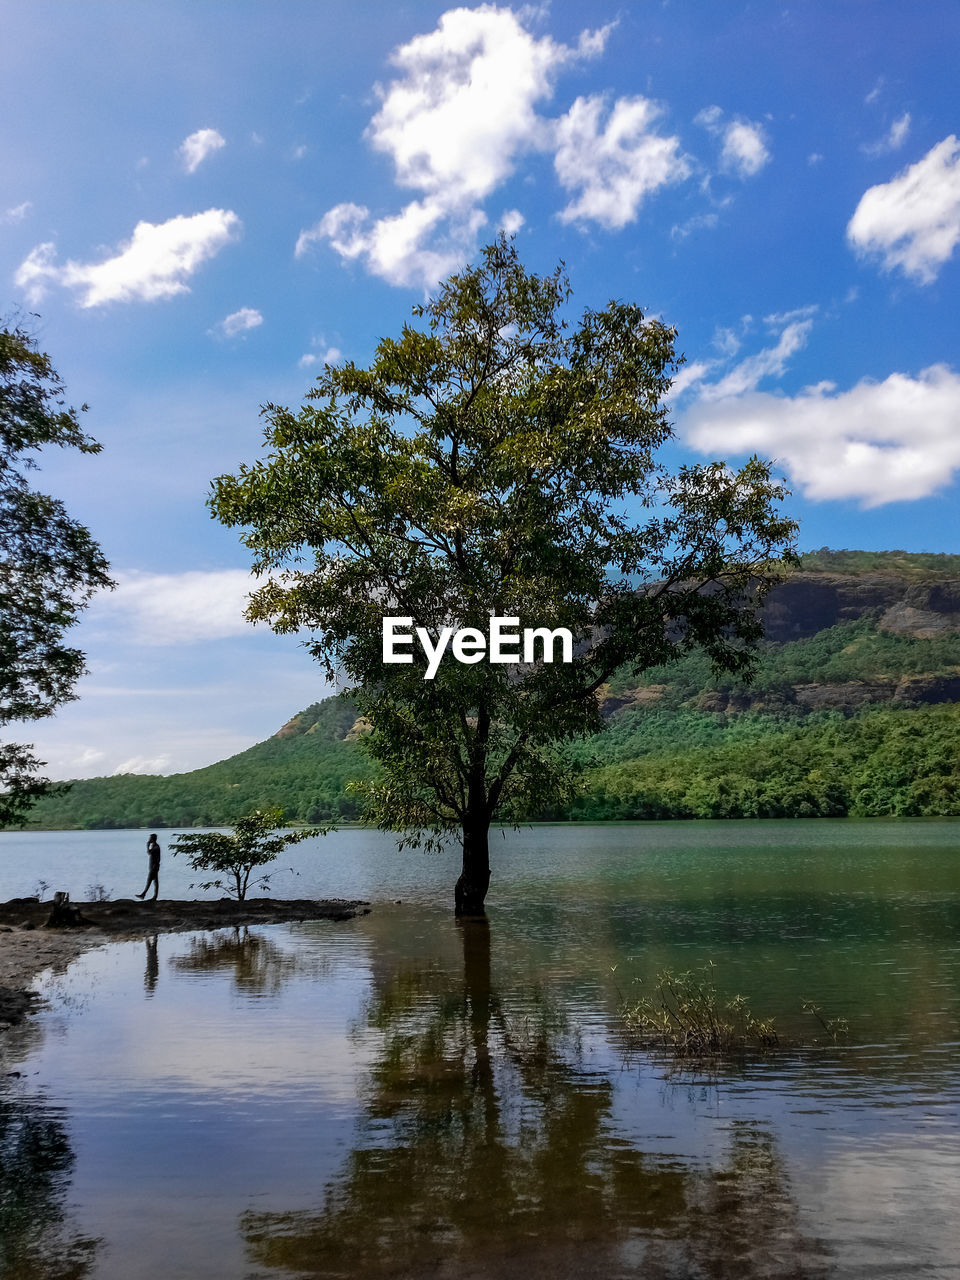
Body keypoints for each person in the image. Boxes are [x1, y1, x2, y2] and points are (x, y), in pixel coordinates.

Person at [136, 833, 161, 901]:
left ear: (152, 839)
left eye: (150, 838)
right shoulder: (154, 846)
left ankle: (144, 895)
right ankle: (149, 895)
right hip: (153, 866)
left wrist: (147, 846)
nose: (149, 839)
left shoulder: (156, 847)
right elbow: (150, 853)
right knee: (154, 882)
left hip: (154, 867)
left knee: (151, 881)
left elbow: (149, 853)